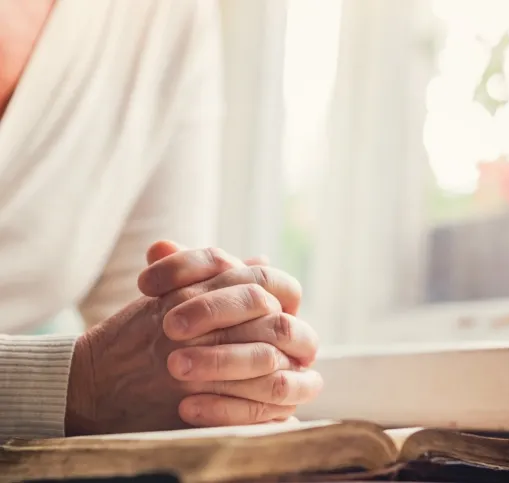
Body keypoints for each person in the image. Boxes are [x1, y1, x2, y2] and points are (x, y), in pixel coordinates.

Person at [0, 0, 322, 441]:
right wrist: (73, 386)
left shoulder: (168, 17)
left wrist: (226, 367)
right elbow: (106, 382)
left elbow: (143, 338)